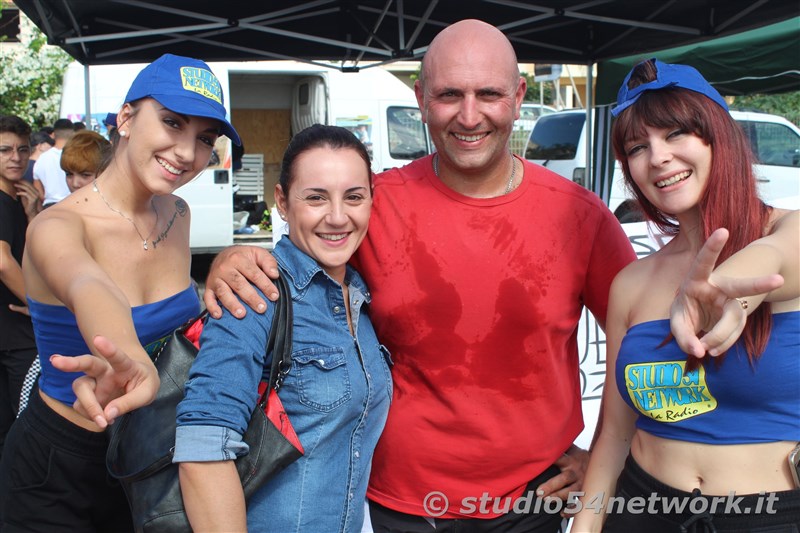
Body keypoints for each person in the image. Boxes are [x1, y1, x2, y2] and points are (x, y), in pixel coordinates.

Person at [204, 19, 637, 531]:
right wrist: (230, 258)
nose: (469, 115)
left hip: (534, 501)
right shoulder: (374, 204)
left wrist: (608, 462)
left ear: (519, 96)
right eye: (450, 94)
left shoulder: (579, 216)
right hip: (401, 506)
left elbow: (643, 343)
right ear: (422, 99)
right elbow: (301, 257)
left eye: (489, 94)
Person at [0, 53, 240, 532]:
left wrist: (225, 264)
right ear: (126, 118)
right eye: (172, 122)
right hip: (59, 465)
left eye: (205, 139)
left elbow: (180, 309)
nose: (187, 152)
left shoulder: (178, 214)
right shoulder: (58, 225)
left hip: (149, 457)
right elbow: (89, 285)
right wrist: (126, 354)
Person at [571, 59, 800, 532]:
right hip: (641, 510)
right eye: (638, 146)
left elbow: (777, 257)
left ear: (720, 136)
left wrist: (723, 291)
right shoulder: (631, 282)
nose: (657, 157)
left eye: (676, 133)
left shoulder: (787, 230)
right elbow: (614, 434)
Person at [174, 124, 390, 532]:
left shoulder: (360, 296)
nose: (338, 217)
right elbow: (203, 447)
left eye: (354, 197)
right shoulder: (257, 292)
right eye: (316, 198)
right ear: (282, 202)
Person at [0, 116, 40, 459]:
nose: (15, 157)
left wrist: (30, 214)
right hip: (14, 334)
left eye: (22, 150)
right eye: (5, 150)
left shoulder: (13, 198)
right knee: (23, 426)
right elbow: (2, 261)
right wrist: (41, 305)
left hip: (13, 335)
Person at [32, 118, 74, 207]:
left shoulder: (42, 159)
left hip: (50, 206)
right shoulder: (79, 156)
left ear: (53, 135)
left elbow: (38, 190)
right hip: (74, 204)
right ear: (73, 134)